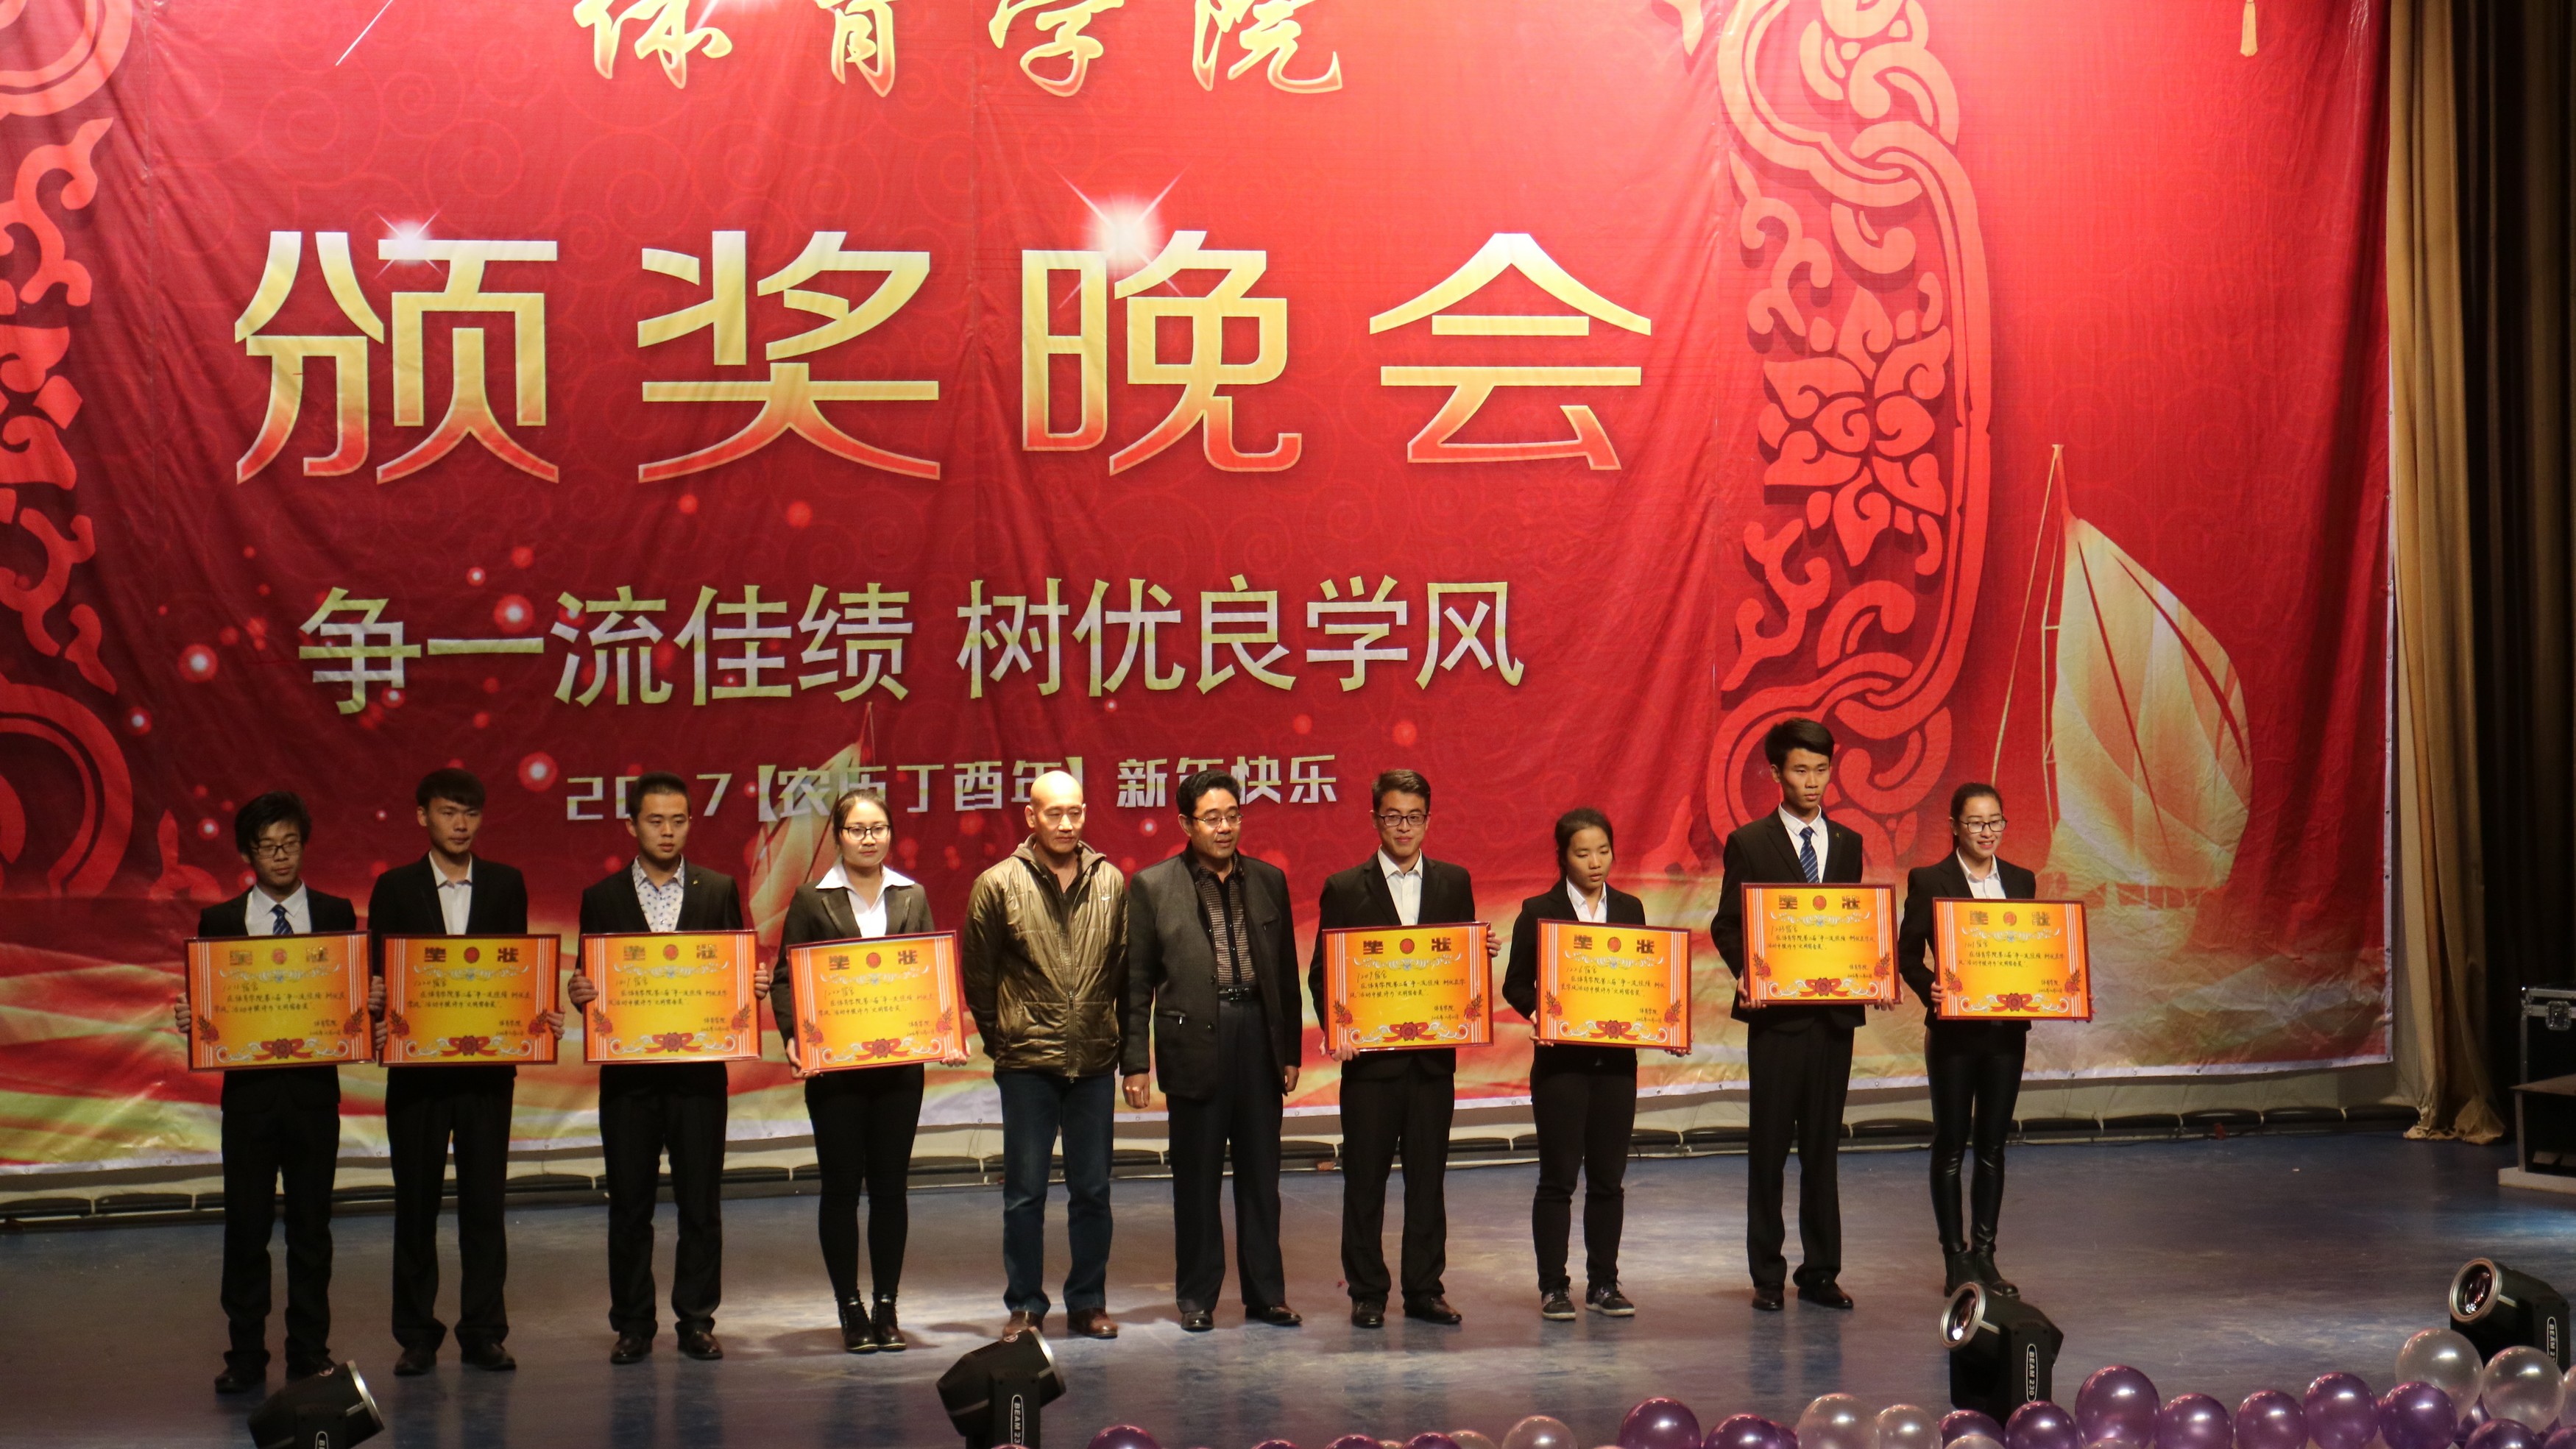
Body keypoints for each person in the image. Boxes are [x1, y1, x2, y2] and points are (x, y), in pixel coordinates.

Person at [171, 791, 364, 1394]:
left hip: (313, 1096)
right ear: (248, 854)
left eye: (290, 843)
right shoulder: (220, 921)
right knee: (246, 1228)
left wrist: (368, 1003)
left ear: (304, 845)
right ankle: (246, 1355)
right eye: (267, 846)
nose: (280, 856)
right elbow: (211, 1005)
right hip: (249, 1101)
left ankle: (309, 1351)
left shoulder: (335, 912)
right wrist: (194, 1017)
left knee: (312, 1229)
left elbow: (351, 995)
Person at [565, 773, 760, 1364]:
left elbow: (734, 968)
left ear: (690, 822)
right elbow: (589, 978)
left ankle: (696, 1319)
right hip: (629, 1078)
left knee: (701, 1202)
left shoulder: (718, 889)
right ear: (631, 825)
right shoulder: (601, 897)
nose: (667, 831)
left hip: (698, 1077)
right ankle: (633, 1323)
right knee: (630, 1204)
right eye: (655, 820)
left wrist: (749, 985)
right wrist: (580, 991)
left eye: (678, 820)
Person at [367, 767, 555, 1376]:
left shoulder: (506, 883)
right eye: (448, 812)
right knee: (415, 1206)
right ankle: (416, 1335)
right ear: (423, 815)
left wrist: (535, 1015)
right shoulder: (395, 887)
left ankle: (484, 1330)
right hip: (416, 1077)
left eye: (470, 813)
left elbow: (517, 972)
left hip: (486, 1076)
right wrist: (374, 1009)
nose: (460, 824)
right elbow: (378, 974)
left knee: (484, 1205)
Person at [772, 787, 962, 1353]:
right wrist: (793, 1036)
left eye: (878, 827)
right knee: (840, 1188)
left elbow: (928, 974)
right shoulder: (811, 899)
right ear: (838, 835)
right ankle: (850, 1308)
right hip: (835, 1073)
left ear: (890, 833)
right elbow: (786, 977)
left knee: (890, 1188)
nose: (868, 838)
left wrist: (944, 1032)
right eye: (857, 829)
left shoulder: (911, 894)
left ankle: (886, 1306)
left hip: (899, 1071)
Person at [1308, 768, 1496, 1329]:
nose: (1404, 827)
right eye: (1393, 816)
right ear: (1375, 819)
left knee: (1428, 1180)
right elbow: (1322, 971)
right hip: (1370, 1067)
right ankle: (1368, 1292)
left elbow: (1459, 966)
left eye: (1414, 816)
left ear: (1428, 820)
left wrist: (1478, 950)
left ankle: (1424, 1288)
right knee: (1365, 1181)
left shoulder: (1453, 881)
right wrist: (1337, 1028)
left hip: (1432, 1063)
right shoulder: (1345, 887)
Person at [1121, 770, 1304, 1333]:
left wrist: (1290, 1050)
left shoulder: (1268, 879)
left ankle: (1266, 1294)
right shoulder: (1153, 886)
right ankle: (1197, 1297)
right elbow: (1136, 982)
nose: (1224, 827)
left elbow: (1286, 972)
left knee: (1261, 1176)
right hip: (1194, 1040)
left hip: (1258, 1037)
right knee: (1196, 1178)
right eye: (1211, 818)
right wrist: (1135, 1062)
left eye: (1232, 815)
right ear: (1185, 823)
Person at [1710, 718, 1871, 1311]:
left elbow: (1854, 926)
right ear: (1776, 772)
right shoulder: (1750, 842)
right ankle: (1768, 1275)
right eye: (1801, 770)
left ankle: (1821, 1271)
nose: (1813, 781)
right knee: (1770, 1149)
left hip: (1832, 1020)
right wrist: (1746, 972)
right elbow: (1727, 924)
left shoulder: (1848, 842)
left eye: (1822, 769)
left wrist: (1872, 973)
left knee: (1824, 1150)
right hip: (1777, 1020)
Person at [961, 769, 1128, 1341]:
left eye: (1075, 811)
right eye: (1053, 812)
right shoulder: (997, 884)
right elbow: (979, 979)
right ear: (1030, 816)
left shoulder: (1110, 881)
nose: (1066, 823)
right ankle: (1026, 1305)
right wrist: (1004, 1039)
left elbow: (1124, 971)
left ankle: (1088, 1301)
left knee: (1093, 1191)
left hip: (1094, 1061)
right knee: (1025, 1193)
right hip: (1026, 1063)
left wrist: (1119, 1042)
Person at [1502, 807, 1666, 1322]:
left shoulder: (1630, 909)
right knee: (1558, 1178)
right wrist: (1539, 1014)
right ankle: (1554, 1286)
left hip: (1616, 1066)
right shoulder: (1538, 911)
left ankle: (1604, 1283)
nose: (1596, 862)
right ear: (1563, 857)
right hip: (1561, 1068)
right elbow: (1515, 983)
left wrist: (1664, 1023)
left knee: (1608, 1179)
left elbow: (1645, 981)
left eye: (1603, 851)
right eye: (1583, 853)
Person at [1898, 782, 2038, 1297]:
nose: (1987, 831)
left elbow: (2033, 951)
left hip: (2006, 1034)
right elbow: (1907, 955)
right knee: (1952, 1144)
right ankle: (1955, 1257)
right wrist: (1929, 987)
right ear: (1955, 826)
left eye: (1995, 821)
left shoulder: (2020, 880)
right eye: (1976, 822)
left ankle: (1985, 1255)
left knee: (1994, 1146)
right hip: (1953, 1034)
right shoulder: (1929, 879)